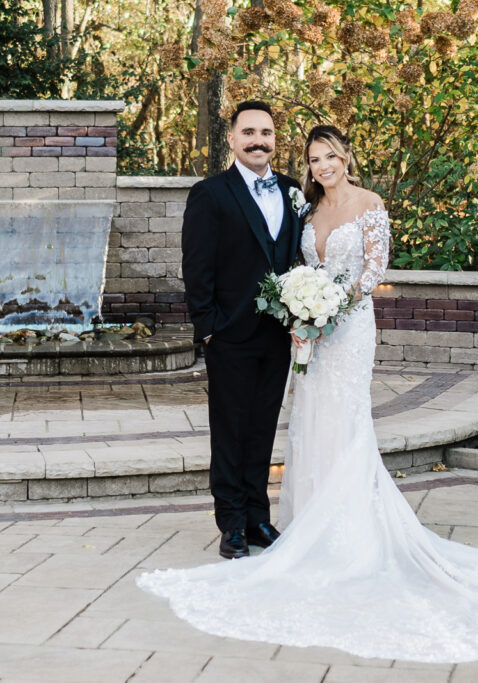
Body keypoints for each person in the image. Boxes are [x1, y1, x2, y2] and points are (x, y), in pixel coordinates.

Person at [138, 125, 478, 662]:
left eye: (330, 155)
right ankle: (286, 521)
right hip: (305, 330)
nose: (323, 164)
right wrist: (294, 309)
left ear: (346, 156)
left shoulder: (366, 202)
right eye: (315, 158)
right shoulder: (300, 205)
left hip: (347, 329)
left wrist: (332, 302)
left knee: (344, 421)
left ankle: (329, 528)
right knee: (306, 419)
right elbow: (281, 266)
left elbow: (376, 267)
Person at [179, 101, 302, 560]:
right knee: (229, 431)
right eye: (248, 132)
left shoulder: (291, 191)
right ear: (231, 139)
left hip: (277, 336)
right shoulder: (210, 194)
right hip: (229, 336)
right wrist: (208, 329)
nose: (258, 140)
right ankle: (230, 524)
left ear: (275, 139)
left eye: (266, 132)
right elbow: (196, 266)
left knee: (262, 430)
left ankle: (257, 518)